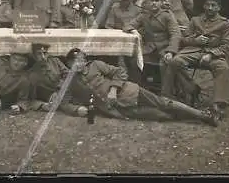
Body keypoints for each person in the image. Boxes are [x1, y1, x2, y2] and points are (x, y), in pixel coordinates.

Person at [59, 49, 219, 126]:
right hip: (119, 109)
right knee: (162, 116)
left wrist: (113, 90)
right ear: (68, 64)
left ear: (85, 59)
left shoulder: (96, 65)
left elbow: (120, 72)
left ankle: (203, 115)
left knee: (164, 103)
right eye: (74, 62)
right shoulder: (70, 82)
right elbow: (64, 102)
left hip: (130, 92)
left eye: (80, 60)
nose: (78, 64)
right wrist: (77, 110)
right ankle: (193, 117)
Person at [168, 0, 229, 119]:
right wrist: (196, 40)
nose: (209, 8)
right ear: (204, 6)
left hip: (213, 55)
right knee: (175, 61)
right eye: (207, 5)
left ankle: (218, 105)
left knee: (223, 68)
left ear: (219, 8)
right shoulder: (195, 20)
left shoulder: (225, 24)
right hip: (192, 52)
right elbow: (184, 39)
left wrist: (211, 54)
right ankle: (191, 88)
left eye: (213, 6)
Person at [123, 0, 181, 94]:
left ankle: (166, 94)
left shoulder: (167, 16)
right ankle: (138, 90)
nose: (154, 3)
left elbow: (176, 34)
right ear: (147, 2)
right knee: (133, 60)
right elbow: (128, 25)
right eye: (151, 1)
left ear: (161, 2)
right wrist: (133, 30)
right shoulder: (144, 15)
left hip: (164, 48)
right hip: (149, 49)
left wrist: (171, 51)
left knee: (166, 63)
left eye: (157, 1)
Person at [27, 43, 70, 112]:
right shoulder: (32, 74)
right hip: (50, 100)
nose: (43, 57)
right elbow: (31, 98)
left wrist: (59, 89)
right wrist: (42, 105)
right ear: (34, 56)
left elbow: (68, 75)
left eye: (45, 53)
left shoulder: (55, 61)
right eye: (39, 54)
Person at [0, 44, 33, 113]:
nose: (16, 63)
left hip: (0, 105)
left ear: (25, 63)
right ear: (10, 58)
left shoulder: (24, 80)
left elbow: (23, 99)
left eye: (20, 60)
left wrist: (19, 107)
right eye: (14, 59)